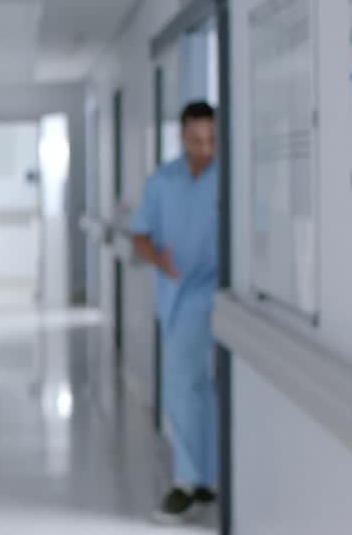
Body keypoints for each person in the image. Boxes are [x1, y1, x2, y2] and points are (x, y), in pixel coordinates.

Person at [131, 101, 219, 525]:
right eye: (196, 140)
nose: (205, 148)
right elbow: (139, 237)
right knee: (183, 392)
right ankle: (190, 482)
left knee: (212, 392)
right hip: (181, 299)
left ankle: (210, 478)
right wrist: (158, 260)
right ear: (183, 137)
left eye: (211, 140)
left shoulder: (227, 177)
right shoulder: (162, 182)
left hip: (220, 298)